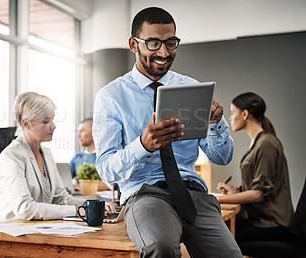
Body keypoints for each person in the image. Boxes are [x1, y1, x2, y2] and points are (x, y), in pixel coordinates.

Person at [92, 7, 242, 257]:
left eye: (171, 42)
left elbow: (222, 157)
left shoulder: (190, 87)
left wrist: (216, 124)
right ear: (133, 44)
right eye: (153, 43)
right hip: (145, 194)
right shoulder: (111, 97)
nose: (164, 52)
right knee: (160, 248)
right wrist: (143, 145)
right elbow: (106, 168)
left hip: (193, 193)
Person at [0, 92, 115, 226]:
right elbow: (25, 209)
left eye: (52, 120)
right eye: (45, 121)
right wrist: (78, 211)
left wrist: (93, 205)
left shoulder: (46, 154)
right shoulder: (11, 157)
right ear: (26, 124)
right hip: (1, 234)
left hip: (32, 231)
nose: (53, 126)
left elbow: (61, 199)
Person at [217, 92, 297, 243]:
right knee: (221, 234)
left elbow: (258, 194)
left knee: (220, 239)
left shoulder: (266, 144)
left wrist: (220, 199)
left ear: (245, 114)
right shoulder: (259, 142)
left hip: (274, 225)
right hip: (262, 221)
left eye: (233, 113)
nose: (230, 118)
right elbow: (259, 186)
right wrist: (236, 191)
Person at [70, 118, 111, 191]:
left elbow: (111, 185)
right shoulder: (77, 158)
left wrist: (83, 187)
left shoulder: (107, 156)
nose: (78, 135)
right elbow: (64, 180)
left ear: (94, 132)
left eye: (82, 131)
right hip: (80, 199)